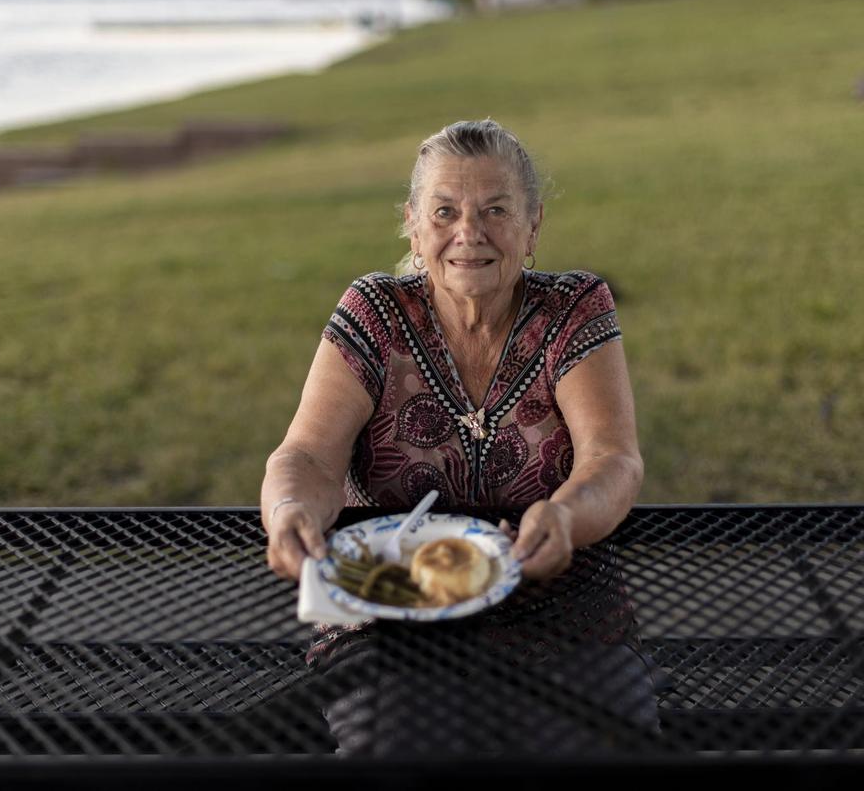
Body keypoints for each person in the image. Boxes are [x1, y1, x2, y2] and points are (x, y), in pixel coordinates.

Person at [260, 119, 656, 753]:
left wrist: (565, 516)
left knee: (605, 758)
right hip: (387, 609)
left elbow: (612, 458)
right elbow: (307, 454)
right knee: (400, 754)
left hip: (560, 601)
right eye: (445, 211)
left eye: (495, 209)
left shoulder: (574, 307)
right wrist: (288, 512)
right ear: (415, 228)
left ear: (533, 226)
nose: (468, 233)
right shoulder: (374, 312)